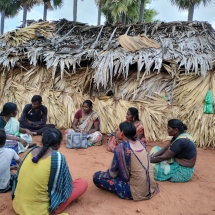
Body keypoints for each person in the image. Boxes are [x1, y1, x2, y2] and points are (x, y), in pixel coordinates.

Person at [13, 128, 88, 215]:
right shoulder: (58, 158)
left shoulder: (30, 151)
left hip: (18, 205)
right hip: (39, 211)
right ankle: (52, 209)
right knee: (82, 183)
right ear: (58, 144)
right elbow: (64, 187)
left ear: (43, 141)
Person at [93, 122, 159, 200]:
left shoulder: (122, 148)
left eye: (118, 130)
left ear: (122, 133)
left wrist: (104, 174)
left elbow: (112, 174)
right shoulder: (141, 143)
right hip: (151, 187)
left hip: (136, 192)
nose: (116, 132)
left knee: (97, 176)